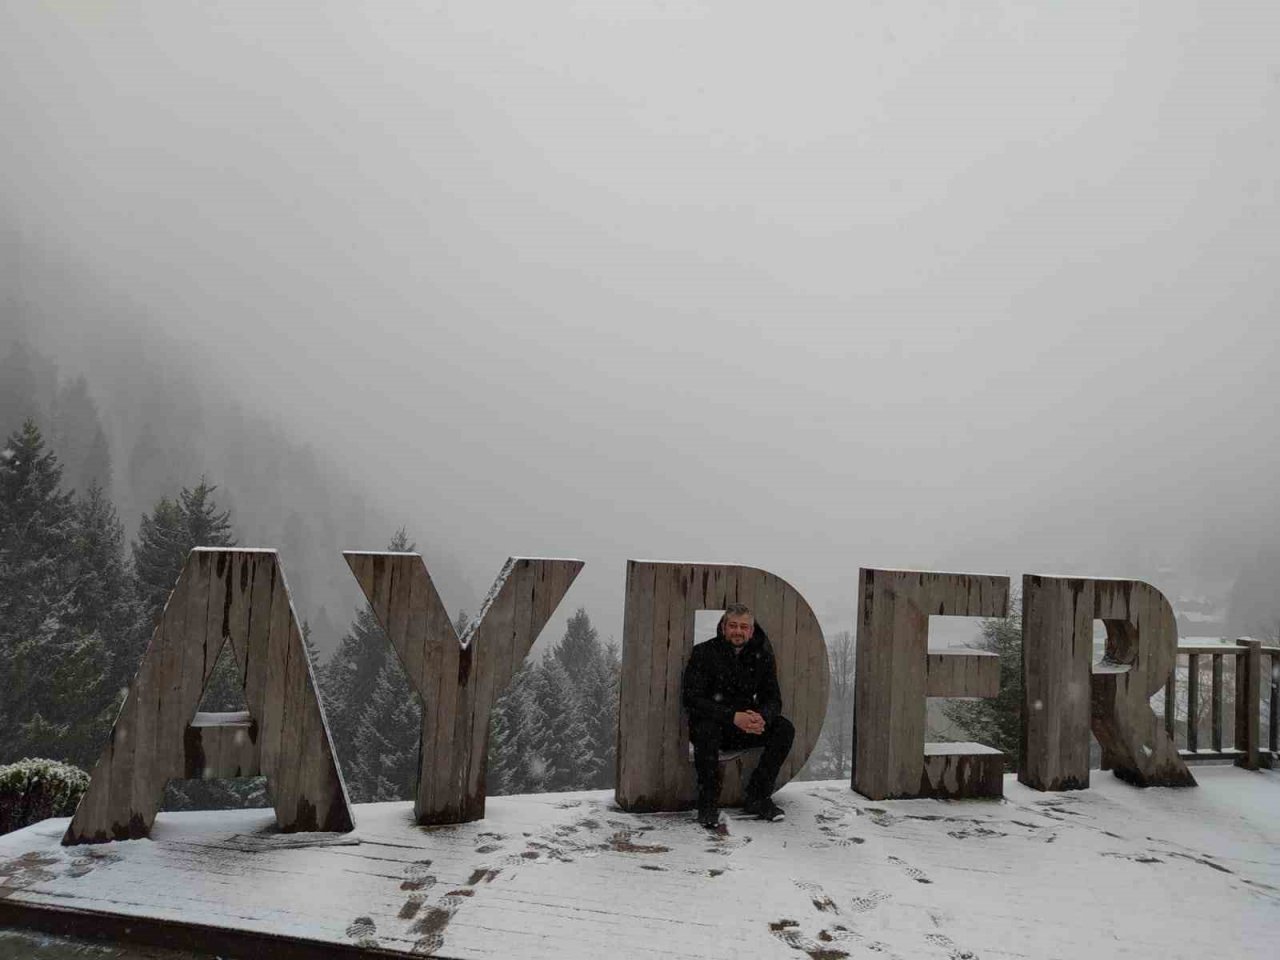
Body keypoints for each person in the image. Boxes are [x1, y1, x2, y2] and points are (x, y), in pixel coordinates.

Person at [682, 602, 795, 828]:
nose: (738, 631)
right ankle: (708, 804)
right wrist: (732, 716)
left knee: (783, 728)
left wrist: (761, 717)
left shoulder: (760, 656)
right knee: (706, 730)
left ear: (751, 631)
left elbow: (773, 698)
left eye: (744, 627)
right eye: (733, 625)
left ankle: (757, 796)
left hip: (744, 726)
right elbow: (692, 699)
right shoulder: (704, 652)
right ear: (723, 627)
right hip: (713, 725)